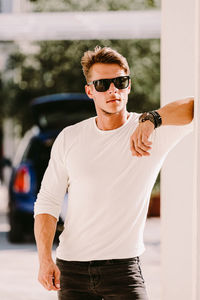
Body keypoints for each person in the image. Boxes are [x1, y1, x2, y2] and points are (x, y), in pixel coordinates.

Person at [34, 46, 194, 300]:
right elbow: (48, 202)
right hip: (72, 271)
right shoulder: (70, 138)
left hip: (124, 271)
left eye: (120, 82)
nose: (113, 90)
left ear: (128, 86)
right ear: (89, 91)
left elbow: (194, 107)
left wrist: (152, 119)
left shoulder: (150, 131)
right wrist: (44, 260)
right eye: (102, 84)